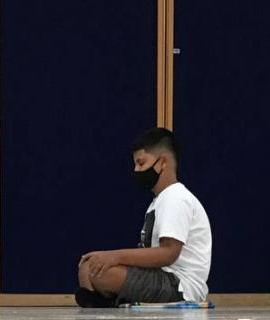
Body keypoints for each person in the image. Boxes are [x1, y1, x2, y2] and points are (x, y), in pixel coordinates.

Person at [75, 127, 212, 307]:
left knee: (97, 273)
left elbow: (168, 253)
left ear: (162, 162)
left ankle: (108, 302)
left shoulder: (176, 198)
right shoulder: (160, 200)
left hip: (179, 285)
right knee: (88, 266)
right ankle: (109, 303)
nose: (136, 170)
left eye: (141, 163)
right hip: (160, 277)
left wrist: (114, 257)